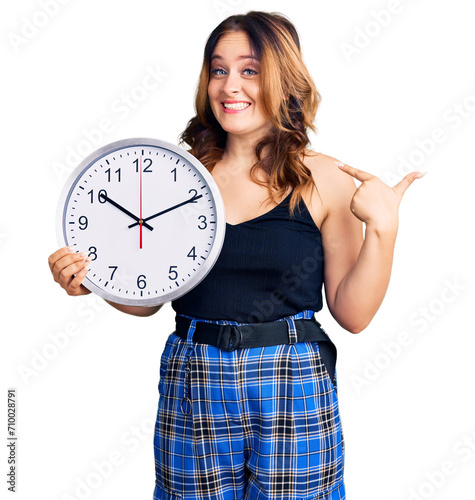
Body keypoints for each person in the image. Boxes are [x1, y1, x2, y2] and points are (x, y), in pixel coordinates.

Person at [48, 11, 424, 500]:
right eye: (218, 69)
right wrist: (91, 283)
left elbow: (353, 315)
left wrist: (383, 229)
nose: (230, 85)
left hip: (292, 381)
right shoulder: (178, 172)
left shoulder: (324, 178)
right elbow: (148, 299)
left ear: (283, 80)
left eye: (249, 70)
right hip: (193, 376)